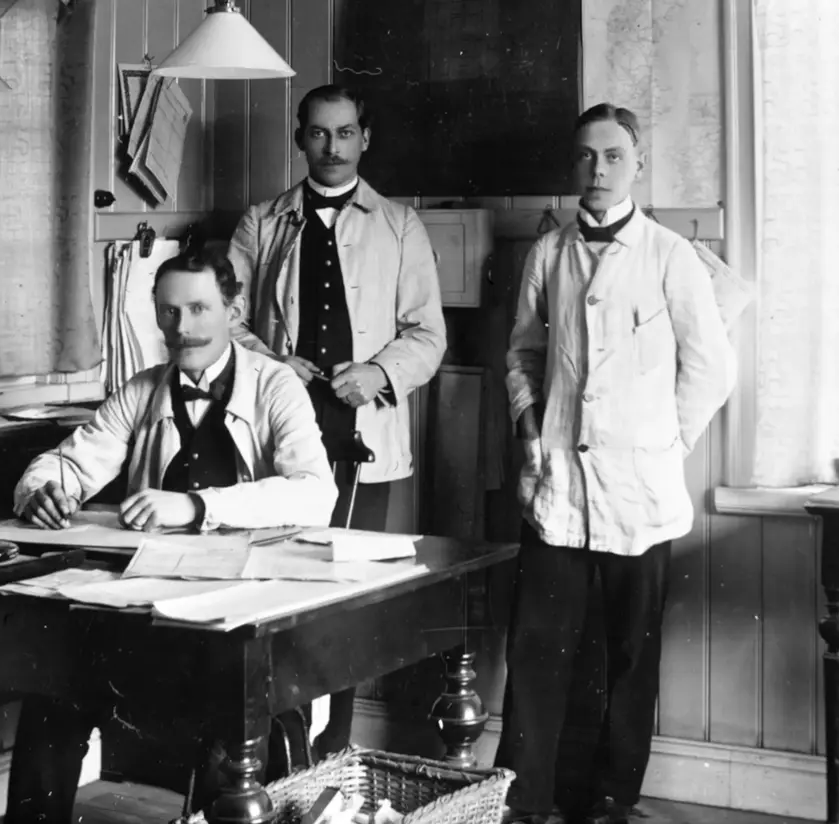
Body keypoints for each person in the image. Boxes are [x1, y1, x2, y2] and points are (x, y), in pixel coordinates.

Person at [3, 247, 338, 824]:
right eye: (168, 312)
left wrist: (195, 505)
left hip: (242, 617)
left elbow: (315, 493)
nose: (181, 328)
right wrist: (43, 490)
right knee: (52, 694)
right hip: (150, 613)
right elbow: (69, 462)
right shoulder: (142, 390)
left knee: (233, 729)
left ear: (233, 311)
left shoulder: (276, 385)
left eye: (199, 309)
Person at [496, 103, 737, 824]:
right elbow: (522, 352)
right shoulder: (549, 252)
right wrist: (529, 419)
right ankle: (525, 795)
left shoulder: (669, 254)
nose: (597, 170)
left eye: (613, 157)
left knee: (630, 653)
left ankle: (611, 797)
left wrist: (666, 444)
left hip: (641, 489)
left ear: (637, 165)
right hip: (559, 484)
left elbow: (711, 367)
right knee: (538, 647)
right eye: (585, 156)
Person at [227, 83, 446, 757]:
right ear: (301, 138)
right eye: (319, 133)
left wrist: (377, 373)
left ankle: (331, 759)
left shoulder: (399, 225)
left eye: (345, 132)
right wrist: (273, 364)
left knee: (345, 598)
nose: (332, 146)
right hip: (283, 425)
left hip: (362, 432)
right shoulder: (262, 222)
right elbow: (225, 321)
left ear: (364, 139)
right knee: (274, 593)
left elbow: (427, 335)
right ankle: (272, 760)